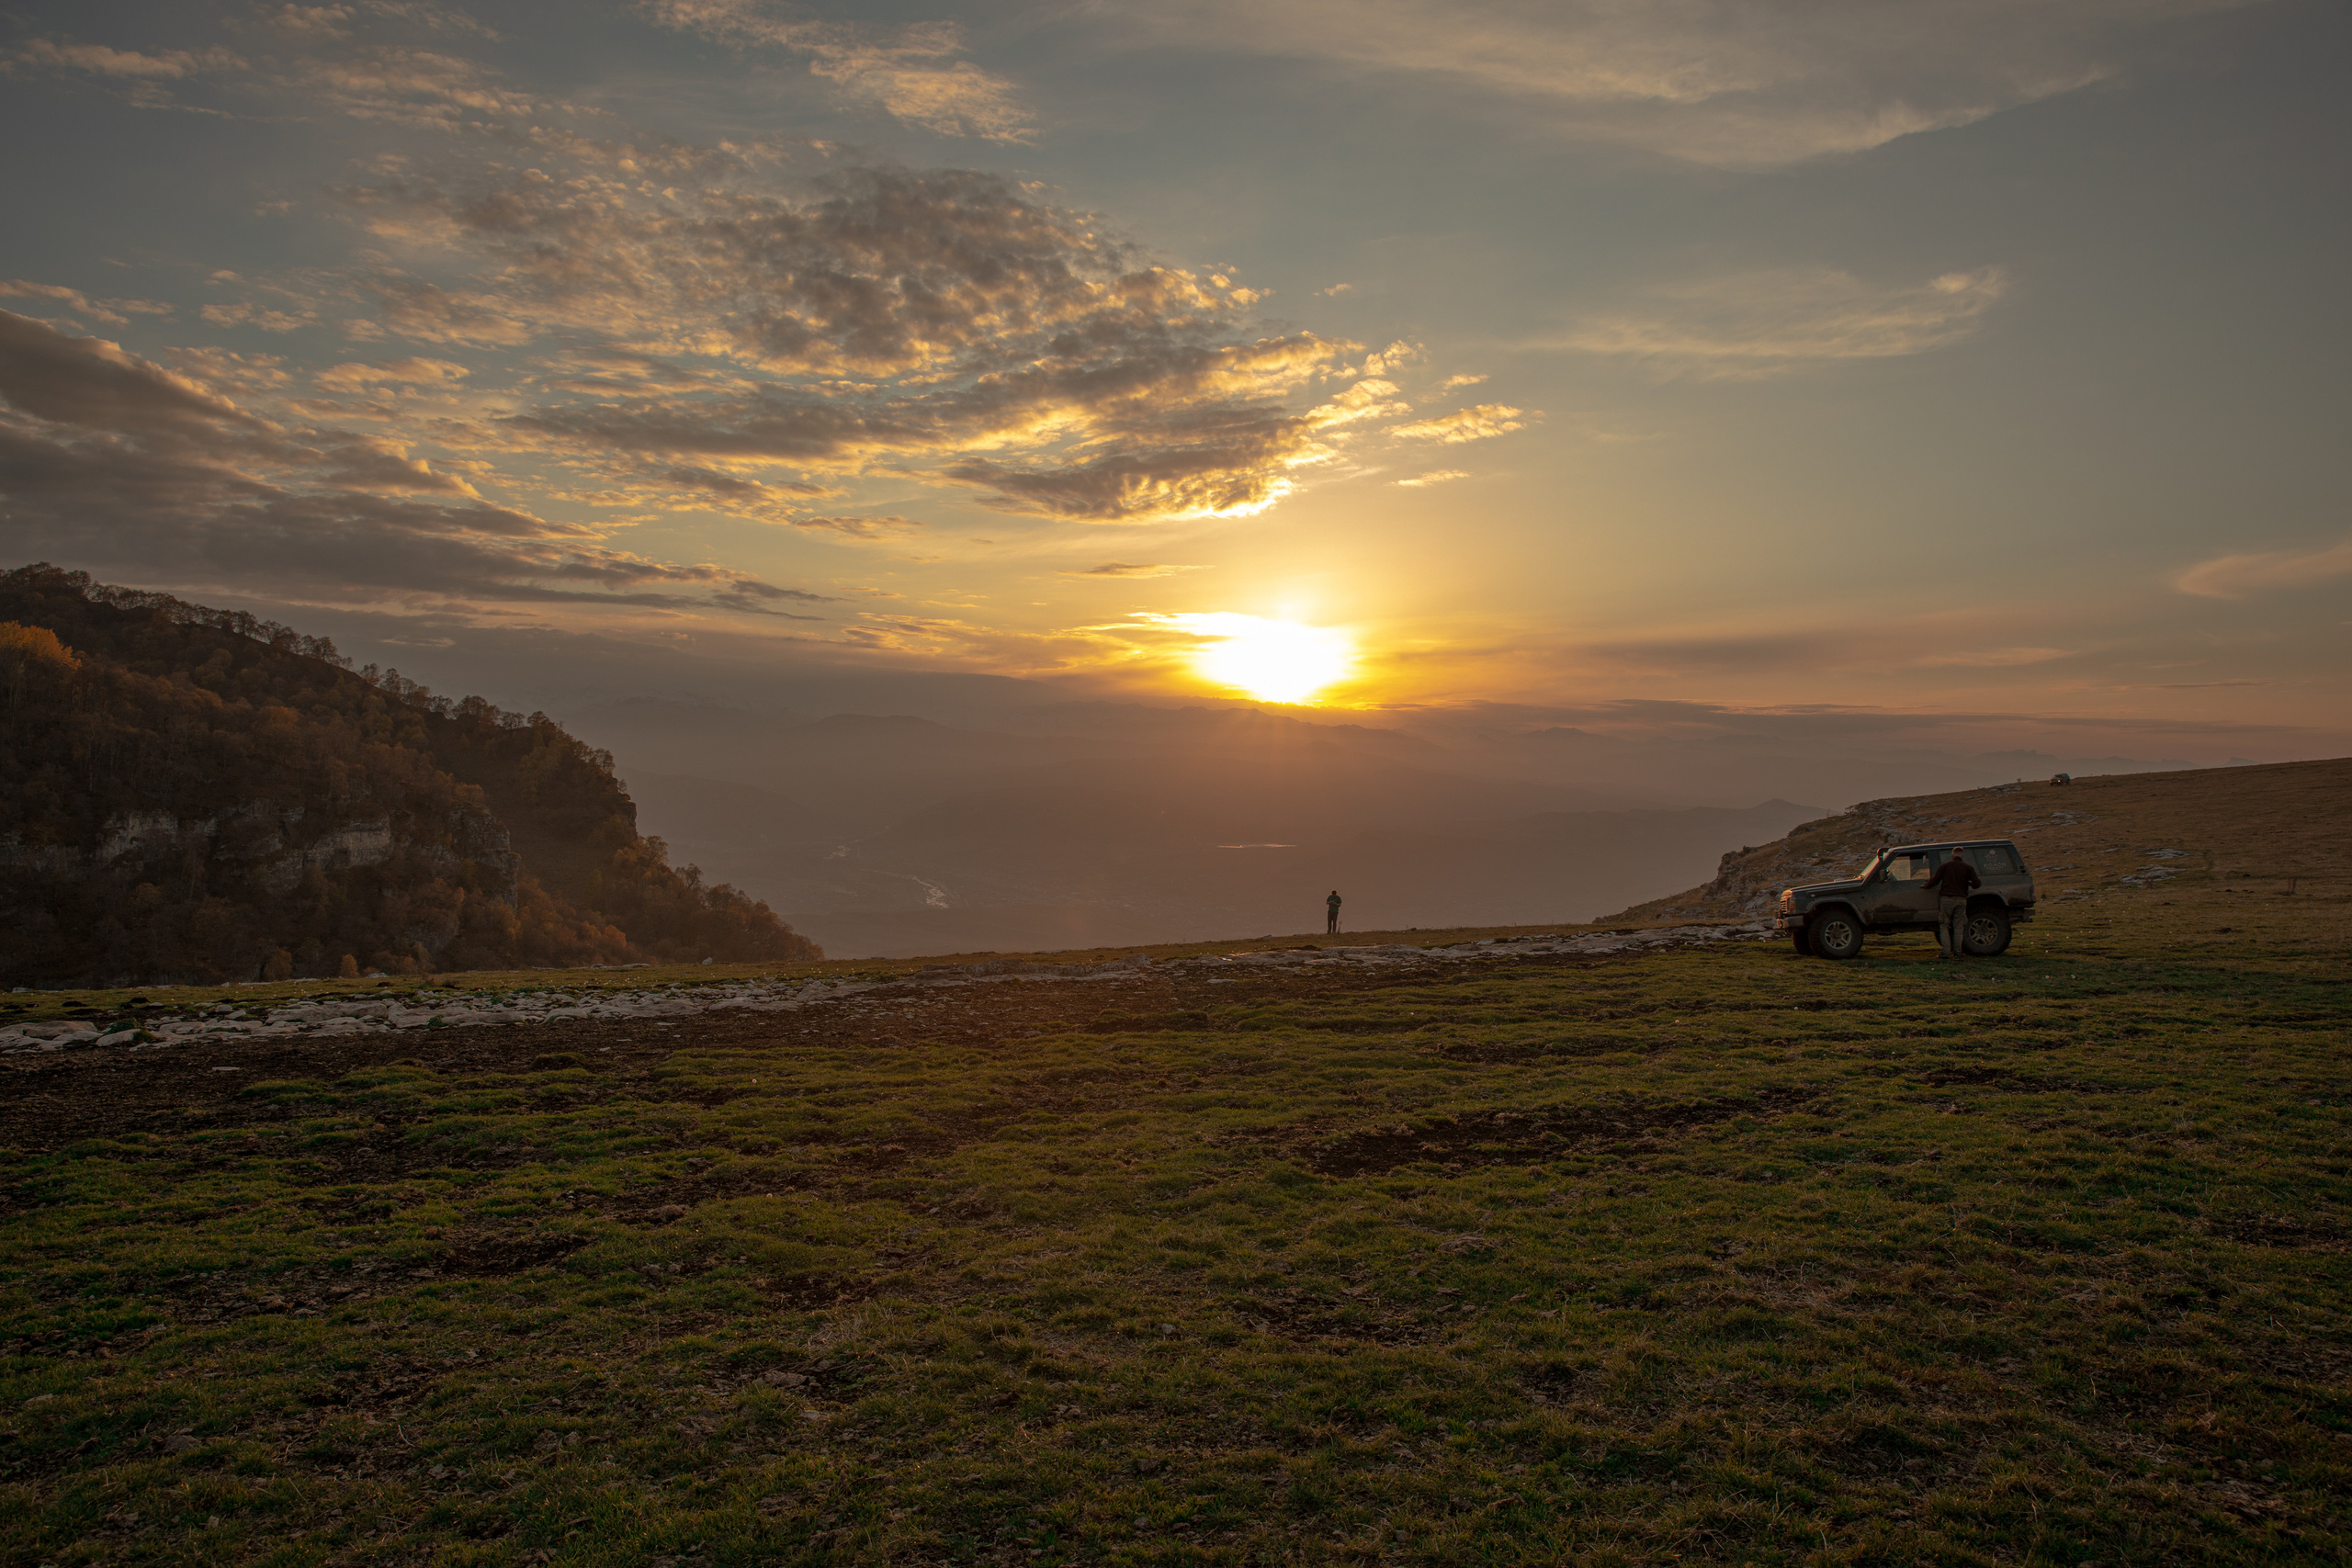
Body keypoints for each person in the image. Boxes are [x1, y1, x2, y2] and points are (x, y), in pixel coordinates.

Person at [1926, 848, 1981, 959]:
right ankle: (1957, 953)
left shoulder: (1945, 866)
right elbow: (1977, 883)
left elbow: (1935, 880)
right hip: (1961, 900)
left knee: (1944, 925)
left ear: (1952, 855)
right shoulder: (1968, 867)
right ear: (1962, 856)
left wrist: (1926, 885)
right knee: (1958, 927)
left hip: (1947, 899)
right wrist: (1969, 883)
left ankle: (1946, 952)